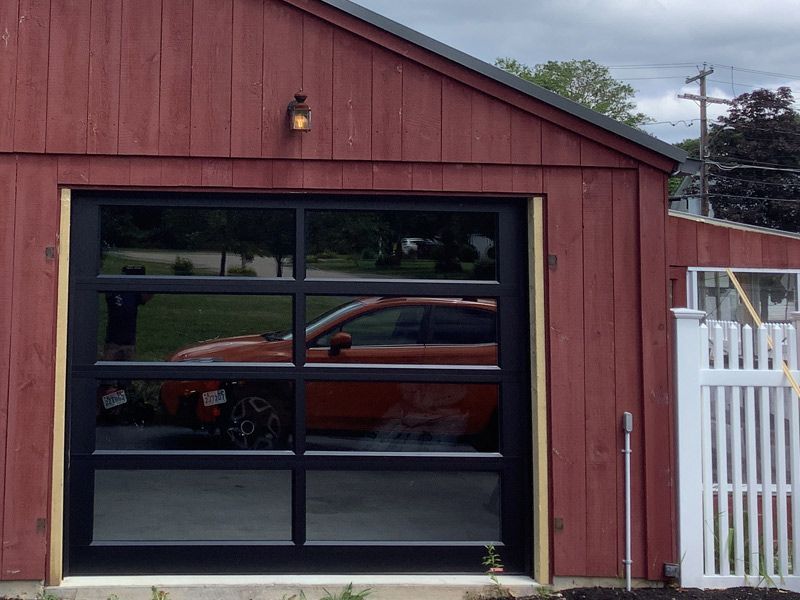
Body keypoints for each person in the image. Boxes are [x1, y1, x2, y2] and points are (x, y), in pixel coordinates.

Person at [102, 266, 152, 361]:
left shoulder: (134, 293)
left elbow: (146, 296)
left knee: (127, 369)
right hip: (113, 341)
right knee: (109, 368)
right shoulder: (114, 291)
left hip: (128, 342)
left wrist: (143, 283)